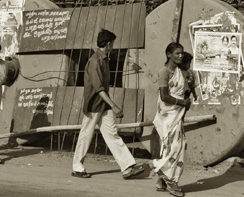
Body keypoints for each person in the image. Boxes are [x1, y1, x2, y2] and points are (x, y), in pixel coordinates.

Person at [72, 29, 144, 179]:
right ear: (109, 44)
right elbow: (99, 89)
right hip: (94, 104)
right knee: (86, 135)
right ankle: (77, 167)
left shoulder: (104, 59)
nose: (113, 46)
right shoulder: (95, 61)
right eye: (112, 43)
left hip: (103, 105)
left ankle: (127, 167)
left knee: (112, 135)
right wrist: (114, 105)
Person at [152, 42, 192, 197]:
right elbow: (164, 96)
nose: (180, 56)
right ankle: (171, 181)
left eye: (182, 53)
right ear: (169, 55)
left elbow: (185, 91)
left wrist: (186, 101)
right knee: (175, 146)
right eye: (177, 53)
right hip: (167, 115)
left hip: (177, 115)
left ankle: (163, 180)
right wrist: (182, 102)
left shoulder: (181, 72)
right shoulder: (164, 72)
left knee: (178, 145)